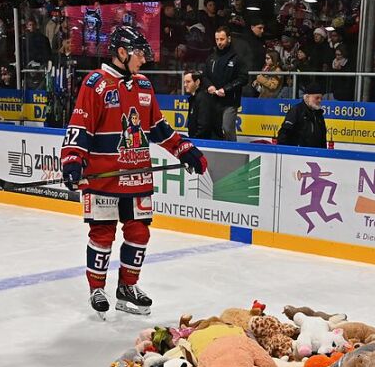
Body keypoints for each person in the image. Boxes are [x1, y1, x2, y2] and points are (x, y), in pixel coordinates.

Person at [60, 25, 207, 318]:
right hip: (103, 177)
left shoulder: (143, 85)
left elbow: (158, 128)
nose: (144, 58)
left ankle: (127, 287)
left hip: (137, 176)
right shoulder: (96, 83)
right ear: (122, 53)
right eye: (139, 53)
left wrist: (184, 149)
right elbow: (79, 128)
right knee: (102, 233)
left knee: (139, 232)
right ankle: (97, 288)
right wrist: (73, 160)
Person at [201, 26, 246, 141]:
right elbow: (204, 76)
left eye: (222, 39)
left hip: (230, 101)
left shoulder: (237, 58)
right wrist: (209, 86)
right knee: (214, 130)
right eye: (217, 39)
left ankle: (233, 151)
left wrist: (226, 89)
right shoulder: (211, 57)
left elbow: (243, 79)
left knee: (227, 128)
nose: (219, 42)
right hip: (213, 100)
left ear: (229, 39)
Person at [276, 83, 327, 148]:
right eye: (317, 98)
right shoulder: (297, 111)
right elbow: (284, 135)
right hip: (298, 154)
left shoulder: (319, 114)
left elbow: (323, 139)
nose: (319, 100)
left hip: (315, 154)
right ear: (307, 97)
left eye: (321, 98)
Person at [183, 70, 221, 139]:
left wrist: (196, 140)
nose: (185, 85)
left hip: (207, 143)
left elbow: (204, 125)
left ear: (197, 82)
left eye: (188, 82)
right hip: (199, 141)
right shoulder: (194, 98)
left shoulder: (203, 98)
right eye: (184, 82)